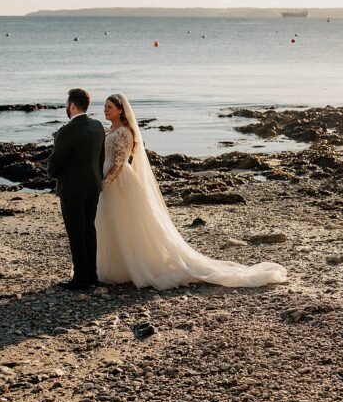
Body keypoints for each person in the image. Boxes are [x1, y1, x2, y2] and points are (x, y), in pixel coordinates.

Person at [96, 93, 287, 289]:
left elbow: (119, 164)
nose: (105, 109)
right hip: (111, 179)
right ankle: (119, 266)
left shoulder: (123, 133)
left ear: (120, 110)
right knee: (114, 222)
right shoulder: (111, 130)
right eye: (105, 106)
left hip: (120, 182)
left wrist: (104, 183)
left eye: (109, 107)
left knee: (126, 222)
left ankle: (135, 265)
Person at [47, 88, 107, 291]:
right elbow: (100, 157)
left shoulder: (67, 130)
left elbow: (55, 162)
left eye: (67, 104)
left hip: (72, 188)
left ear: (72, 105)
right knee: (89, 229)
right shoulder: (97, 126)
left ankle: (81, 279)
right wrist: (97, 179)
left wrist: (52, 172)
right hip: (93, 186)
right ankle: (92, 275)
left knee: (76, 232)